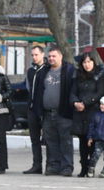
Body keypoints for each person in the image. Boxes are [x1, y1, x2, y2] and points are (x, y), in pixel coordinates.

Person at [32, 45, 76, 176]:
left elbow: (73, 90)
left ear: (61, 56)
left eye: (54, 56)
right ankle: (53, 166)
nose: (51, 58)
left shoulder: (69, 70)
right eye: (49, 56)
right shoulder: (43, 71)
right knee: (50, 141)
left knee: (66, 141)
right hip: (47, 113)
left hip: (63, 112)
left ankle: (67, 167)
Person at [71, 52, 104, 177]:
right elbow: (72, 92)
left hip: (93, 112)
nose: (87, 65)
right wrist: (76, 102)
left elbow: (100, 93)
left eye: (89, 62)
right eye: (85, 62)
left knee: (91, 141)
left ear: (94, 62)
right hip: (80, 114)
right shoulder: (78, 76)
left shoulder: (100, 76)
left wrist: (85, 103)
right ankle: (83, 167)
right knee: (82, 142)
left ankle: (90, 167)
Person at [23, 45, 46, 174]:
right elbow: (28, 88)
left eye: (36, 54)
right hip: (31, 109)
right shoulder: (31, 71)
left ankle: (52, 165)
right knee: (34, 139)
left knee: (48, 138)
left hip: (44, 109)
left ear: (42, 55)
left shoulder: (46, 70)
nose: (34, 57)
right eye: (32, 55)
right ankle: (37, 165)